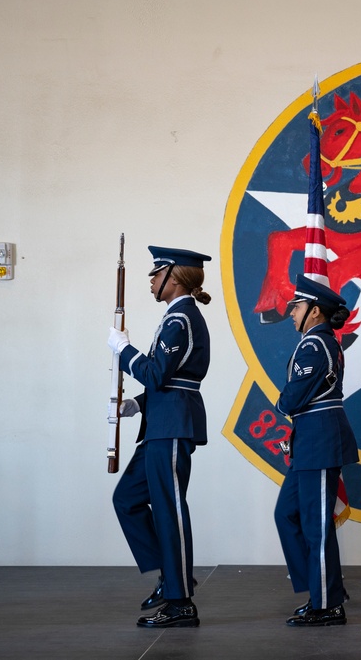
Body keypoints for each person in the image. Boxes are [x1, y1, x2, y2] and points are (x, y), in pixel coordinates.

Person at [108, 245, 212, 628]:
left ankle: (180, 600)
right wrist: (138, 404)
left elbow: (155, 373)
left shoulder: (180, 319)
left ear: (175, 277)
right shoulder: (175, 318)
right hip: (161, 422)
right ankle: (171, 576)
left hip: (172, 426)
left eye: (156, 273)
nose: (151, 280)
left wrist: (124, 351)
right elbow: (165, 380)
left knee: (169, 508)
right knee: (127, 499)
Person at [273, 275, 359, 627]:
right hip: (311, 440)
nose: (292, 311)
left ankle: (326, 605)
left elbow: (290, 399)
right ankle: (321, 588)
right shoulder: (320, 342)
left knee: (315, 525)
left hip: (320, 441)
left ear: (314, 311)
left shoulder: (314, 346)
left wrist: (283, 400)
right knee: (288, 514)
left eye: (297, 306)